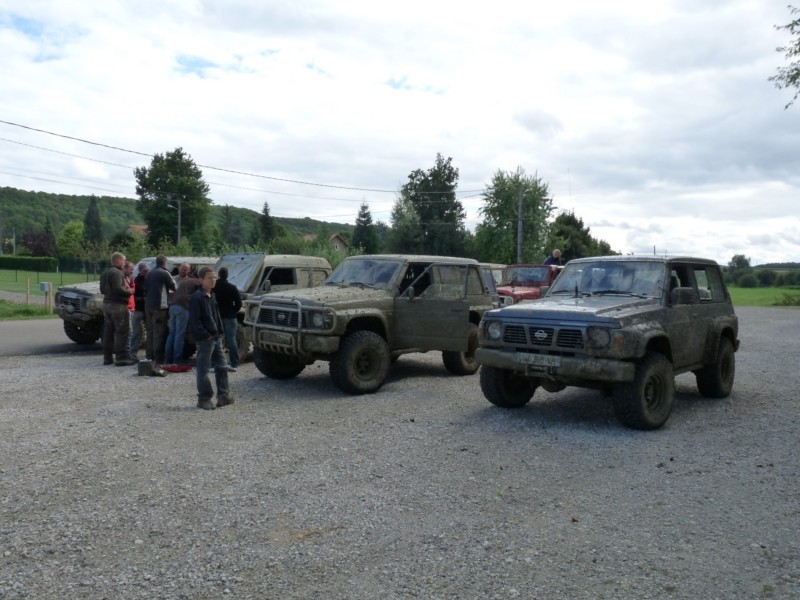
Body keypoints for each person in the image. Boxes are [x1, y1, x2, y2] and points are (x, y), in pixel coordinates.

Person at [189, 267, 233, 410]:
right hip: (205, 339)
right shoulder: (197, 297)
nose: (213, 281)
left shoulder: (212, 295)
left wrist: (219, 331)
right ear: (201, 280)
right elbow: (195, 321)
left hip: (216, 337)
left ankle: (223, 396)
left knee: (222, 366)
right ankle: (204, 398)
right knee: (203, 370)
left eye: (214, 278)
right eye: (209, 278)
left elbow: (216, 315)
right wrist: (205, 335)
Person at [99, 251, 136, 366]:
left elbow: (102, 290)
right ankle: (122, 358)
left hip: (106, 305)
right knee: (122, 332)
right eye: (124, 261)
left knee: (108, 332)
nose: (124, 264)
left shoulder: (105, 273)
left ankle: (107, 358)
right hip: (118, 306)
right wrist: (130, 291)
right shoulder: (117, 273)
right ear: (119, 261)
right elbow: (118, 289)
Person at [164, 272, 202, 366]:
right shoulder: (198, 282)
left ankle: (167, 359)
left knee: (171, 334)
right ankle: (177, 360)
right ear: (200, 277)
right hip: (182, 308)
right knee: (179, 335)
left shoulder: (186, 281)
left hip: (172, 306)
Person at [144, 256, 175, 366]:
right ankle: (158, 358)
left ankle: (149, 356)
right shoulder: (164, 273)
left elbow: (146, 289)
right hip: (159, 307)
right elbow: (174, 286)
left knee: (150, 332)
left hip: (148, 306)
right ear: (165, 263)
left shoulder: (149, 273)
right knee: (159, 333)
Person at [213, 266, 243, 371]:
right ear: (227, 276)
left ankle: (215, 364)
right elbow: (239, 303)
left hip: (217, 317)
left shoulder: (214, 287)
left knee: (216, 340)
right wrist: (233, 310)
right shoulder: (232, 287)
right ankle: (234, 364)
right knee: (231, 340)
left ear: (219, 275)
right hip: (230, 316)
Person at [130, 261, 149, 358]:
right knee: (136, 333)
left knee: (150, 332)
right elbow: (133, 294)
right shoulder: (136, 281)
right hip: (138, 309)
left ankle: (149, 354)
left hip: (147, 309)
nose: (147, 272)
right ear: (140, 270)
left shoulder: (149, 279)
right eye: (145, 270)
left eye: (147, 270)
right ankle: (132, 353)